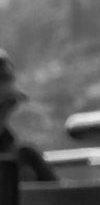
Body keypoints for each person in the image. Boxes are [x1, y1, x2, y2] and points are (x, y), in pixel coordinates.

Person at [0, 50, 57, 183]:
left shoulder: (26, 158)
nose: (7, 111)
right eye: (3, 104)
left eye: (11, 102)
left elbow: (62, 200)